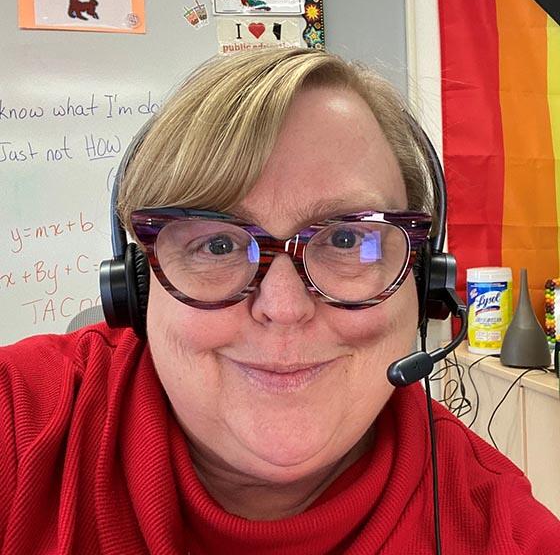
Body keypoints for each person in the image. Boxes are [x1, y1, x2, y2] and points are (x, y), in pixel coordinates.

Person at [0, 48, 559, 555]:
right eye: (216, 244)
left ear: (424, 281)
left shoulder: (507, 533)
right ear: (135, 286)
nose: (285, 308)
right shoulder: (21, 420)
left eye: (347, 239)